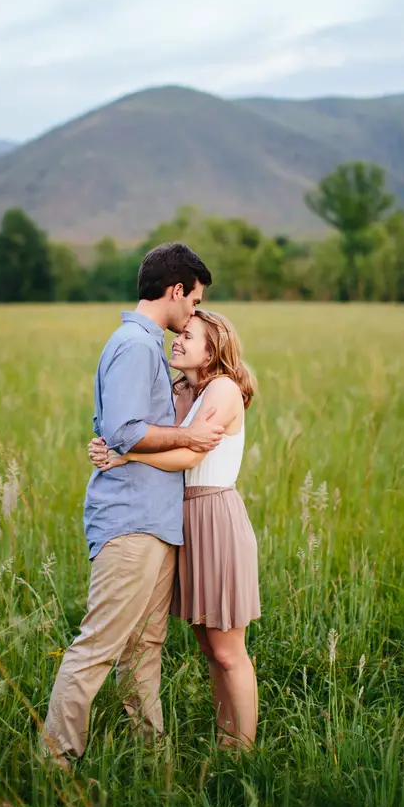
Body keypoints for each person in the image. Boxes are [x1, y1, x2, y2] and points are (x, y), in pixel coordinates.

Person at [43, 242, 223, 767]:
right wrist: (188, 441)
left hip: (157, 523)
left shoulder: (145, 345)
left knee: (145, 648)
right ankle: (56, 763)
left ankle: (151, 759)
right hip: (131, 523)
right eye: (193, 301)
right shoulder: (137, 344)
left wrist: (169, 441)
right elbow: (123, 430)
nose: (193, 311)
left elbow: (120, 434)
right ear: (175, 290)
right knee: (98, 646)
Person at [89, 310, 260, 749]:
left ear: (213, 348)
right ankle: (226, 742)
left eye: (188, 335)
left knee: (228, 651)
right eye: (179, 334)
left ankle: (241, 752)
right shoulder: (183, 389)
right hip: (183, 519)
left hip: (215, 518)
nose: (177, 341)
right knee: (209, 649)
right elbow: (149, 432)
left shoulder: (223, 390)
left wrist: (126, 456)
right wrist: (111, 442)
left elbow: (187, 458)